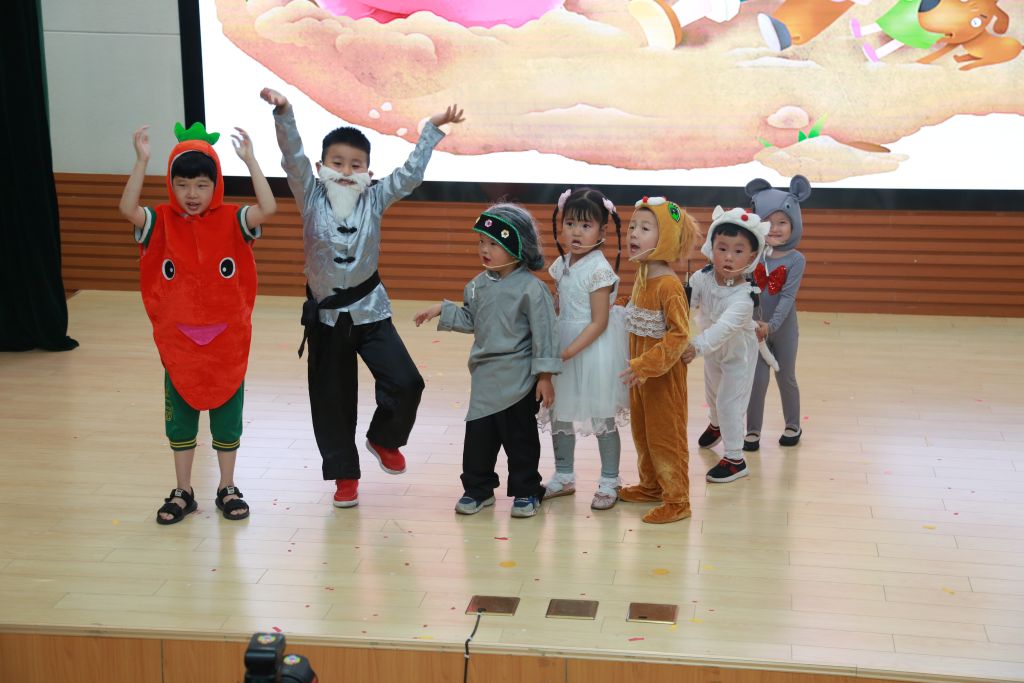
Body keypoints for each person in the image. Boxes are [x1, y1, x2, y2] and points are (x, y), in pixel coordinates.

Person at [261, 87, 464, 508]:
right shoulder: (309, 194)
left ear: (368, 172)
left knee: (407, 382)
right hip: (326, 320)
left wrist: (430, 129)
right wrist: (284, 113)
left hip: (371, 312)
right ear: (321, 167)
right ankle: (344, 475)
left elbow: (410, 175)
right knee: (332, 400)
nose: (346, 171)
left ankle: (384, 437)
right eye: (337, 163)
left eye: (356, 165)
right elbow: (292, 156)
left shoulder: (375, 198)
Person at [118, 121, 277, 524]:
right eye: (183, 184)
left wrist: (251, 161)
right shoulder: (159, 220)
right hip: (180, 343)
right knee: (181, 420)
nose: (192, 194)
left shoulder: (234, 219)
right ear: (171, 185)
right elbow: (127, 210)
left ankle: (227, 486)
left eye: (202, 185)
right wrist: (142, 161)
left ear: (216, 184)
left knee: (227, 417)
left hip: (227, 343)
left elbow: (269, 208)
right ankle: (183, 490)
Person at [414, 204, 560, 518]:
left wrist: (545, 376)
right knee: (479, 440)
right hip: (484, 377)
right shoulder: (477, 285)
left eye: (494, 243)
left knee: (521, 441)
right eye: (481, 241)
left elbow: (545, 334)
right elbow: (473, 320)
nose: (484, 249)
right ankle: (478, 489)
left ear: (517, 245)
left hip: (519, 380)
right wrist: (442, 310)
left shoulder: (532, 289)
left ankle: (526, 490)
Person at [540, 187, 629, 510]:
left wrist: (565, 352)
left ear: (602, 231)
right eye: (570, 224)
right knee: (559, 412)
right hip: (564, 342)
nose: (576, 232)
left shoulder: (599, 269)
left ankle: (610, 480)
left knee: (601, 415)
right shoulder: (561, 264)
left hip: (593, 350)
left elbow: (599, 322)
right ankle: (564, 475)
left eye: (586, 225)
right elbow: (560, 305)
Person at [617, 197, 698, 524]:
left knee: (666, 436)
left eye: (645, 228)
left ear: (665, 238)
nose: (634, 234)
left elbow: (679, 335)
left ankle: (677, 500)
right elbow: (642, 312)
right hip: (640, 376)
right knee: (643, 432)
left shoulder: (668, 284)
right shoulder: (643, 275)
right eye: (632, 227)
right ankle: (651, 486)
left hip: (662, 378)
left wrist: (645, 365)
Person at [683, 207, 769, 484]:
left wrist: (695, 347)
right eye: (722, 248)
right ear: (711, 247)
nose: (729, 257)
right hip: (713, 351)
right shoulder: (702, 278)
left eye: (738, 251)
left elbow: (723, 329)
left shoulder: (744, 298)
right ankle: (717, 425)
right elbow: (686, 303)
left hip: (737, 354)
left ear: (752, 256)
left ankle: (735, 459)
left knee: (729, 402)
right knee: (712, 393)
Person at [744, 176, 811, 451]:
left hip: (782, 330)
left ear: (794, 224)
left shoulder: (796, 259)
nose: (774, 228)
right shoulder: (752, 255)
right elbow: (745, 292)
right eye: (767, 221)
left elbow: (787, 297)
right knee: (757, 380)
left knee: (786, 377)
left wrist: (770, 326)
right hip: (755, 330)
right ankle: (752, 430)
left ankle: (793, 424)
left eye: (782, 222)